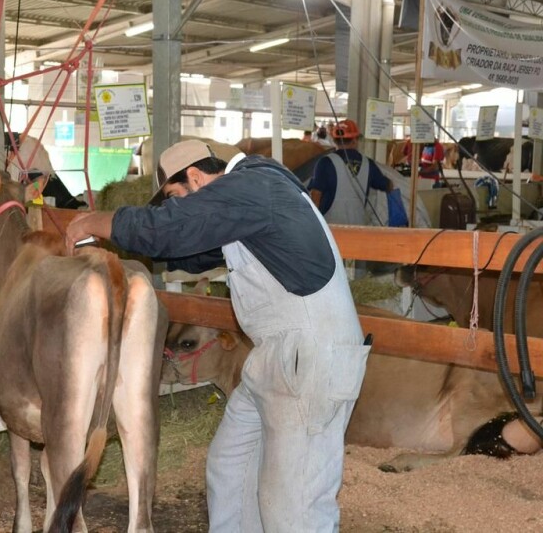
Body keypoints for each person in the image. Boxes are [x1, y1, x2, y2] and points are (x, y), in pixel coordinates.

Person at [65, 139, 370, 532]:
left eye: (179, 197)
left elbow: (168, 228)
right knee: (231, 468)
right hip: (280, 358)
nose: (182, 209)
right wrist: (123, 244)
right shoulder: (244, 203)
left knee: (295, 506)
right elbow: (186, 249)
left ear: (195, 177)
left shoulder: (252, 185)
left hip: (310, 359)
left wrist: (92, 222)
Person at [308, 119, 395, 226]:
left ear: (334, 140)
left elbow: (316, 195)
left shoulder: (325, 162)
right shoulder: (368, 164)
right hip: (357, 230)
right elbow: (387, 186)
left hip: (330, 229)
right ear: (355, 140)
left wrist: (312, 224)